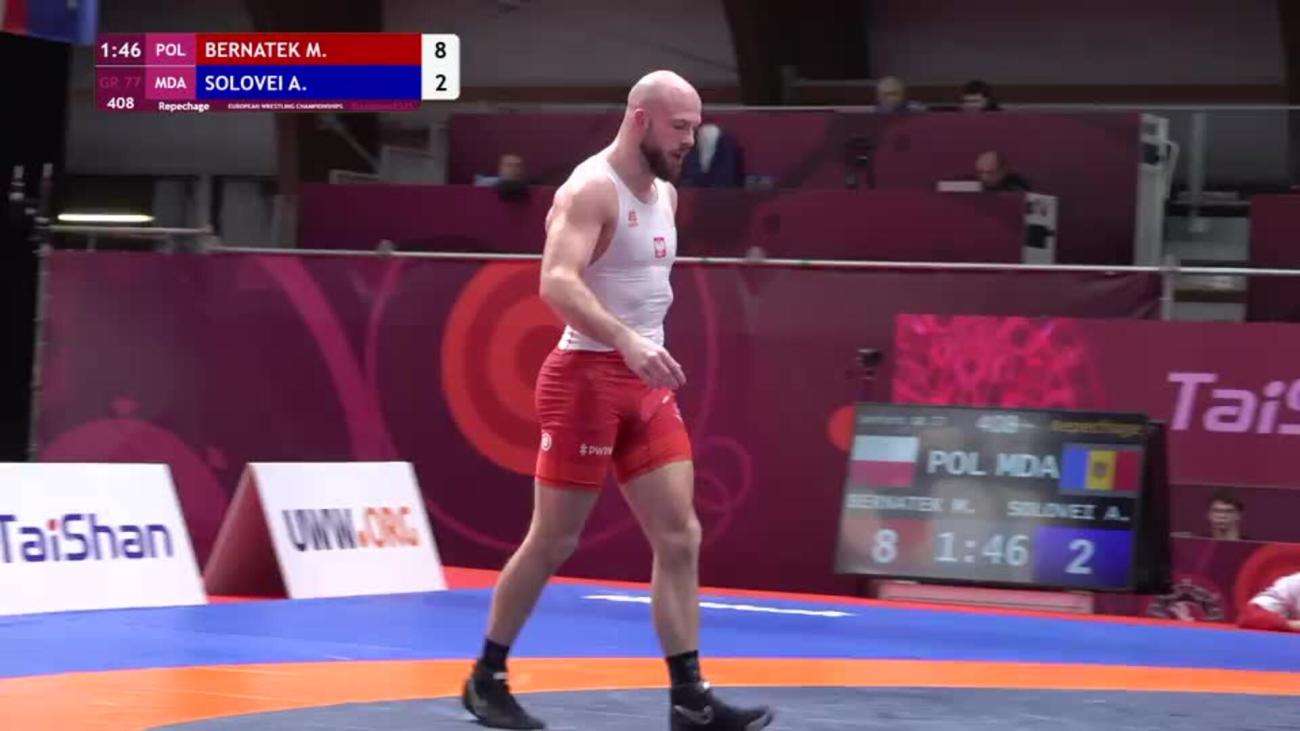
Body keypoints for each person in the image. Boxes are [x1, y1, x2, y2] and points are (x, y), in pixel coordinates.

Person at [460, 70, 775, 731]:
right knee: (554, 539)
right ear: (639, 119)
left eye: (695, 127)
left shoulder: (665, 193)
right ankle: (486, 676)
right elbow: (556, 281)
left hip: (644, 383)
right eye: (680, 127)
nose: (690, 140)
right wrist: (626, 339)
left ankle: (689, 697)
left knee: (680, 535)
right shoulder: (590, 189)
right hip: (584, 379)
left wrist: (639, 347)